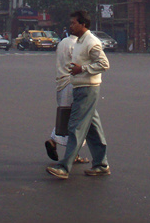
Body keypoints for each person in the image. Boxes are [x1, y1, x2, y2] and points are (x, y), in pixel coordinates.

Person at [46, 10, 111, 179]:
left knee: (75, 126)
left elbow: (104, 64)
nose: (71, 26)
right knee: (92, 128)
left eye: (74, 23)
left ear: (83, 24)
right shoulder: (79, 42)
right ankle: (101, 164)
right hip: (79, 87)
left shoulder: (91, 42)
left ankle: (64, 167)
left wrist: (82, 69)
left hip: (87, 88)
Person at [44, 33, 89, 164]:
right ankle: (70, 153)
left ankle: (57, 143)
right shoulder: (76, 45)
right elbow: (79, 65)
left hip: (60, 83)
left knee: (66, 118)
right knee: (75, 119)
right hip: (71, 83)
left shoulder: (63, 42)